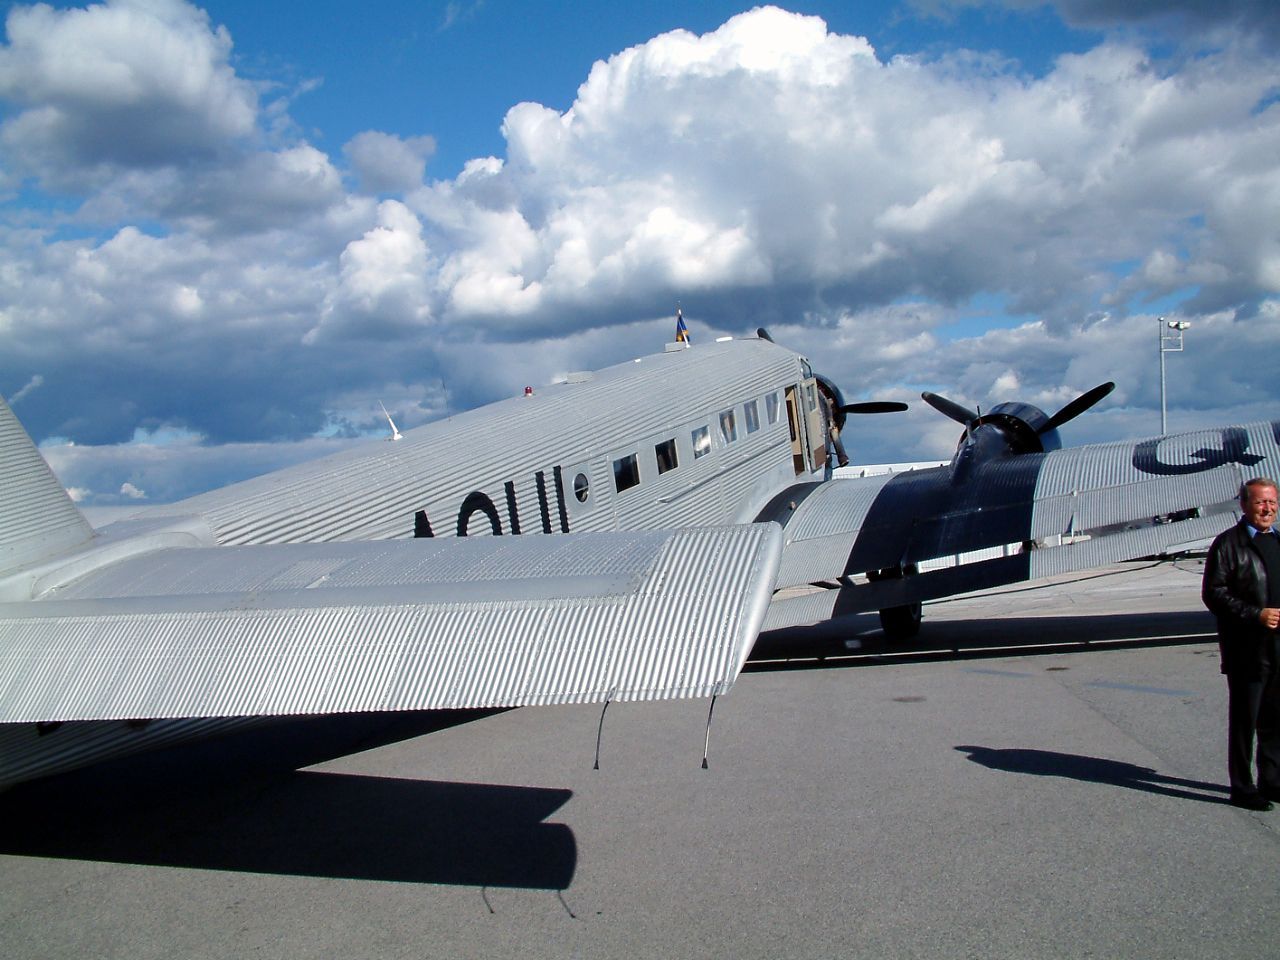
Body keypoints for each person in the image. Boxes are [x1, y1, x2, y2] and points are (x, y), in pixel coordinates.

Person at [1202, 477, 1280, 811]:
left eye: (1273, 502)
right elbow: (1214, 593)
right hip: (1248, 650)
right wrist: (1255, 615)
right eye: (1261, 502)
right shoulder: (1228, 545)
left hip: (1279, 648)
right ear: (1245, 505)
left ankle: (1272, 780)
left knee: (1275, 720)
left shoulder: (1278, 541)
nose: (1268, 509)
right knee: (1245, 721)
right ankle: (1242, 786)